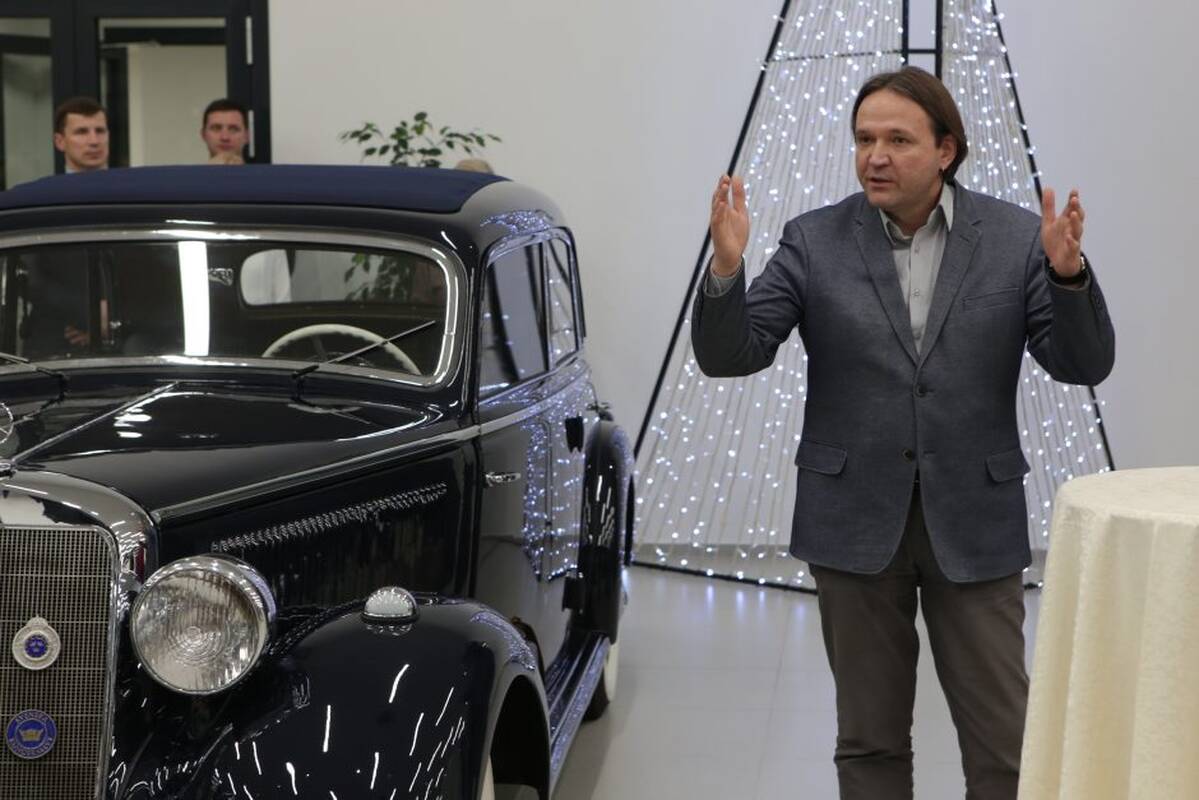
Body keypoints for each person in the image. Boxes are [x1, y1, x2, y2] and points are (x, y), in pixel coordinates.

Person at [692, 66, 1115, 800]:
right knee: (869, 743)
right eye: (864, 140)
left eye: (897, 140)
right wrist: (727, 267)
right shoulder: (813, 239)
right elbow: (732, 355)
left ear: (945, 150)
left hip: (974, 521)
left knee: (1005, 746)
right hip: (851, 520)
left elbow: (1082, 364)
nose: (875, 157)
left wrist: (1068, 276)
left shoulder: (1016, 238)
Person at [53, 97, 109, 173]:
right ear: (60, 142)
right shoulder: (47, 181)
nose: (94, 141)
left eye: (100, 131)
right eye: (82, 132)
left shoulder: (126, 180)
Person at [201, 98, 250, 165]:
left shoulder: (263, 172)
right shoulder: (188, 172)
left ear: (247, 136)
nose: (225, 137)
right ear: (203, 134)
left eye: (233, 129)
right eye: (216, 128)